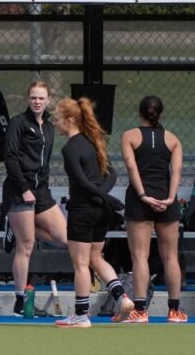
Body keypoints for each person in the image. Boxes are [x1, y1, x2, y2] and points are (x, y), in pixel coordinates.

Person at [53, 97, 134, 328]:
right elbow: (111, 175)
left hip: (82, 211)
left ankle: (81, 315)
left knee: (80, 263)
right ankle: (121, 297)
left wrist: (103, 197)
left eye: (57, 119)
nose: (54, 123)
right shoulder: (92, 141)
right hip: (101, 211)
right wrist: (105, 198)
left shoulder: (70, 148)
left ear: (70, 120)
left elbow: (81, 182)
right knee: (96, 258)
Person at [2, 81, 67, 317]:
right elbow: (10, 158)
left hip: (42, 192)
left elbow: (45, 162)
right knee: (26, 246)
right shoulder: (18, 123)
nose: (37, 102)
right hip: (19, 190)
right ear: (27, 99)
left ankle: (17, 227)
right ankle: (20, 303)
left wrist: (43, 190)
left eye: (41, 98)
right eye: (33, 98)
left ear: (48, 100)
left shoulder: (49, 127)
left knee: (63, 237)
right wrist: (24, 188)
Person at [120, 95, 185, 323]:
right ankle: (174, 311)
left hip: (140, 201)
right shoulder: (173, 139)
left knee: (140, 256)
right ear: (160, 113)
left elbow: (131, 167)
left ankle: (140, 311)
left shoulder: (129, 136)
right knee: (170, 256)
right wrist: (170, 198)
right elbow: (177, 171)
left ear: (140, 113)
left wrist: (143, 196)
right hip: (166, 200)